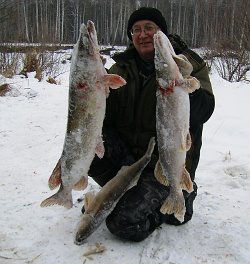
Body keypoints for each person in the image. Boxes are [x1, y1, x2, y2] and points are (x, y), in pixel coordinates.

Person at [87, 7, 215, 241]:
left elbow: (205, 110)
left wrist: (184, 88)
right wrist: (97, 91)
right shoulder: (122, 68)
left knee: (121, 223)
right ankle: (127, 192)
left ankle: (177, 198)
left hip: (164, 162)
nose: (142, 34)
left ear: (162, 33)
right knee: (86, 145)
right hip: (130, 159)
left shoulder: (189, 63)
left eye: (149, 28)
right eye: (136, 30)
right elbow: (107, 117)